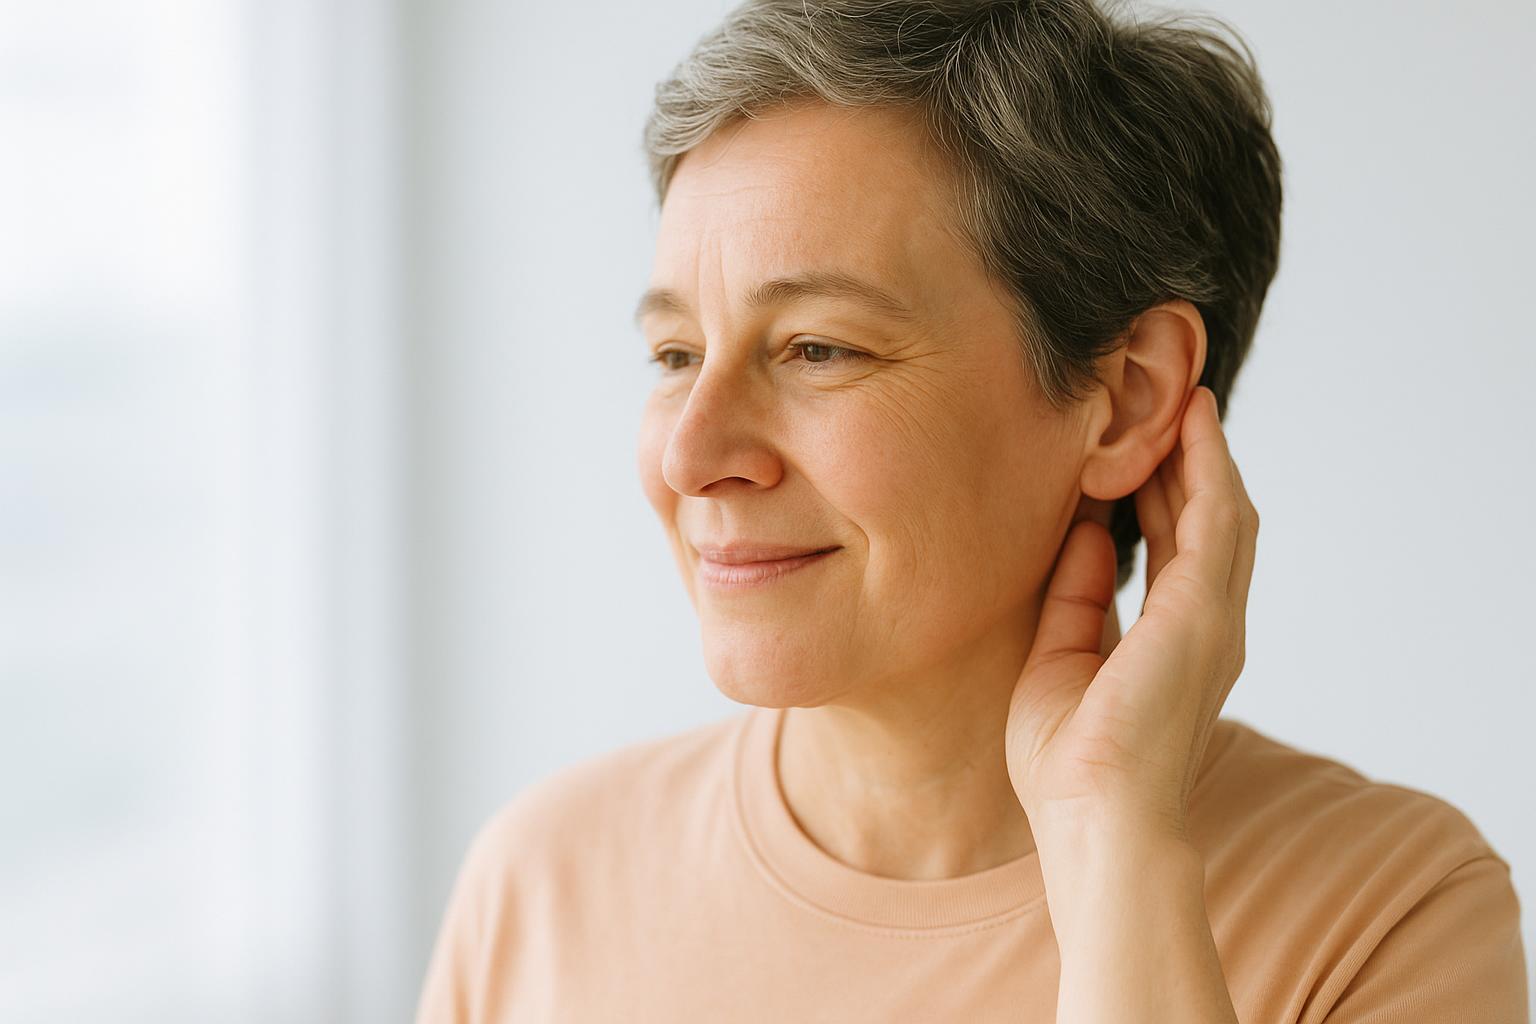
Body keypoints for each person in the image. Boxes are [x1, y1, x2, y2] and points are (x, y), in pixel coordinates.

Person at [415, 1, 1529, 1020]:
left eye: (816, 347)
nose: (693, 455)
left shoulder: (1387, 915)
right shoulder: (539, 888)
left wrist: (1112, 844)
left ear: (1123, 396)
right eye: (675, 354)